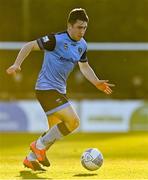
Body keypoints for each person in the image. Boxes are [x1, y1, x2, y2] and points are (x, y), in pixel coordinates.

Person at [6, 8, 114, 171]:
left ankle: (31, 159)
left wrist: (96, 82)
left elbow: (84, 66)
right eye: (79, 27)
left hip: (59, 91)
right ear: (69, 26)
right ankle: (37, 146)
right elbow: (29, 46)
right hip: (45, 89)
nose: (82, 31)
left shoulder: (82, 45)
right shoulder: (55, 40)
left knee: (52, 134)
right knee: (73, 121)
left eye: (84, 27)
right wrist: (17, 64)